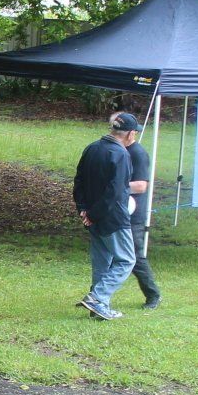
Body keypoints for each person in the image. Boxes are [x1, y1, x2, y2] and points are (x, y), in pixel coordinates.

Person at [73, 112, 138, 321]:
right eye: (134, 133)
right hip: (112, 218)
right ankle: (97, 297)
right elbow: (116, 192)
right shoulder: (121, 155)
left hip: (92, 216)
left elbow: (79, 181)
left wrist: (84, 210)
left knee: (102, 262)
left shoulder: (93, 148)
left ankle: (99, 308)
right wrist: (93, 213)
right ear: (129, 133)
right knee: (126, 260)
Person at [121, 114, 160, 308]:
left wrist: (115, 186)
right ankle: (98, 295)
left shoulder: (138, 154)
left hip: (133, 214)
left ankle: (153, 295)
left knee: (135, 256)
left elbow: (141, 186)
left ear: (131, 133)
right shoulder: (116, 150)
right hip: (117, 210)